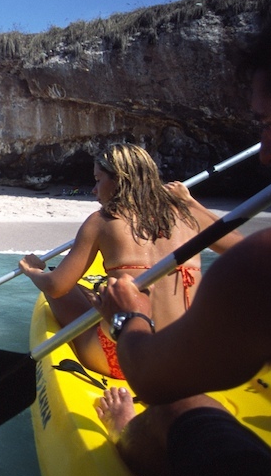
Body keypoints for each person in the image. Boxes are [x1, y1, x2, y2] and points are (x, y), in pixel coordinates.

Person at [93, 0, 271, 476]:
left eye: (270, 123)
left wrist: (129, 315)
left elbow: (153, 379)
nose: (266, 154)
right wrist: (191, 207)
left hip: (155, 362)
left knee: (175, 411)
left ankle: (122, 430)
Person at [19, 142, 240, 379]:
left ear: (117, 180)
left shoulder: (102, 221)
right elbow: (241, 248)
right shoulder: (189, 214)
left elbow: (57, 286)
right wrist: (191, 203)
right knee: (87, 293)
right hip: (189, 356)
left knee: (61, 290)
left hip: (125, 357)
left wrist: (34, 271)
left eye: (98, 179)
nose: (94, 190)